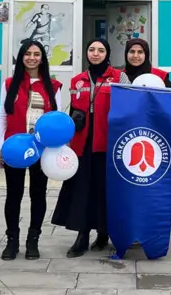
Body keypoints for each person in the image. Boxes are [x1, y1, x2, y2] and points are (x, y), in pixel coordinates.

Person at [52, 38, 129, 257]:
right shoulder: (77, 80)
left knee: (105, 189)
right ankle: (82, 235)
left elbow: (126, 109)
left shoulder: (118, 77)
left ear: (108, 53)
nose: (96, 54)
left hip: (109, 143)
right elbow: (73, 112)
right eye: (92, 50)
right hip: (82, 144)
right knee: (81, 189)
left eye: (101, 50)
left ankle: (104, 232)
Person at [0, 40, 62, 261]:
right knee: (13, 195)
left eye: (36, 54)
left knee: (38, 194)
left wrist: (57, 151)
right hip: (15, 148)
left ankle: (33, 240)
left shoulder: (54, 86)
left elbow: (57, 122)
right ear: (21, 57)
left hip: (41, 149)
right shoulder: (8, 84)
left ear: (42, 58)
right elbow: (2, 117)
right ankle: (12, 240)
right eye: (27, 54)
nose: (32, 58)